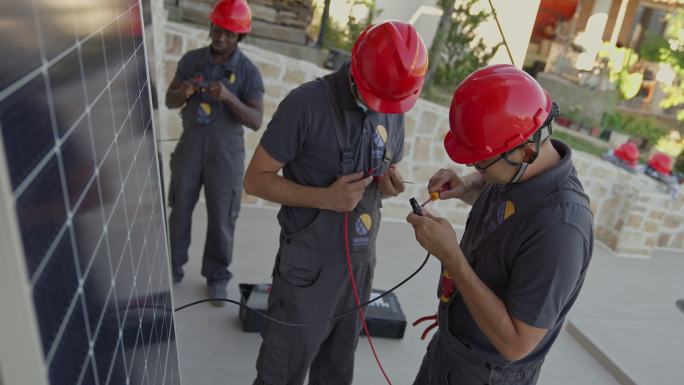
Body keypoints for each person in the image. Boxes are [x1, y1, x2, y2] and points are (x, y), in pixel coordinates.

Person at [243, 21, 427, 385]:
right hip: (307, 268)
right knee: (283, 371)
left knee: (336, 371)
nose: (384, 108)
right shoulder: (305, 104)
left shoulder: (393, 104)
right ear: (357, 69)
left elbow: (386, 168)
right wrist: (324, 198)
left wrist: (389, 187)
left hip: (360, 265)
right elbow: (255, 180)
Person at [406, 64, 594, 385]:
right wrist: (467, 186)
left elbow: (516, 344)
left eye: (481, 161)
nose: (476, 167)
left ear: (526, 151)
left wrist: (452, 258)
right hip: (451, 348)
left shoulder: (561, 230)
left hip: (487, 375)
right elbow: (508, 212)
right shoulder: (518, 170)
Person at [165, 0, 264, 305]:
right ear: (211, 27)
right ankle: (172, 266)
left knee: (222, 215)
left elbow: (256, 120)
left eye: (229, 34)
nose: (221, 38)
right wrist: (185, 92)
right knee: (180, 206)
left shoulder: (248, 72)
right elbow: (170, 100)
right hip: (190, 145)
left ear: (239, 38)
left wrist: (230, 98)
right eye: (218, 30)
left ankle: (217, 276)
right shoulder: (192, 60)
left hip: (226, 153)